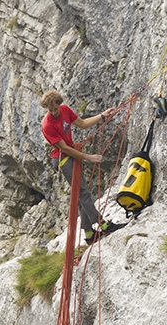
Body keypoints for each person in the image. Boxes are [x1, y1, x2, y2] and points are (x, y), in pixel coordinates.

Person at [40, 90, 126, 245]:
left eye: (55, 108)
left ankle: (89, 234)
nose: (53, 112)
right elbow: (64, 148)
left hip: (70, 154)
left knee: (81, 196)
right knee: (83, 192)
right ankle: (103, 224)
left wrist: (102, 116)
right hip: (61, 159)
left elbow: (83, 124)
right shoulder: (47, 125)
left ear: (59, 104)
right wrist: (89, 157)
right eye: (50, 109)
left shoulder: (65, 110)